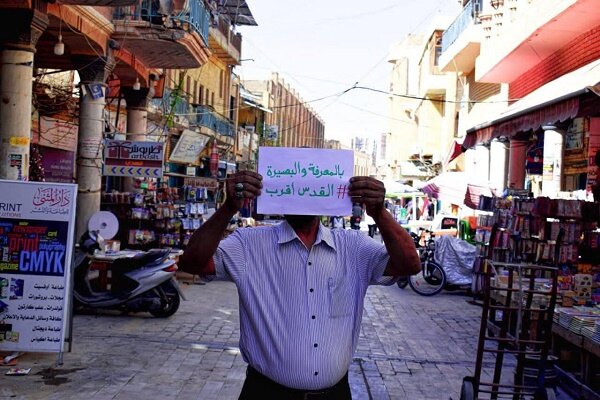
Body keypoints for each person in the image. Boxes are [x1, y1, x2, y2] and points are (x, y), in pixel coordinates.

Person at [179, 171, 420, 400]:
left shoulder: (353, 246)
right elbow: (193, 263)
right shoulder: (249, 244)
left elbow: (409, 265)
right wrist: (229, 207)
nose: (301, 197)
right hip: (265, 394)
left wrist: (379, 213)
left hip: (334, 395)